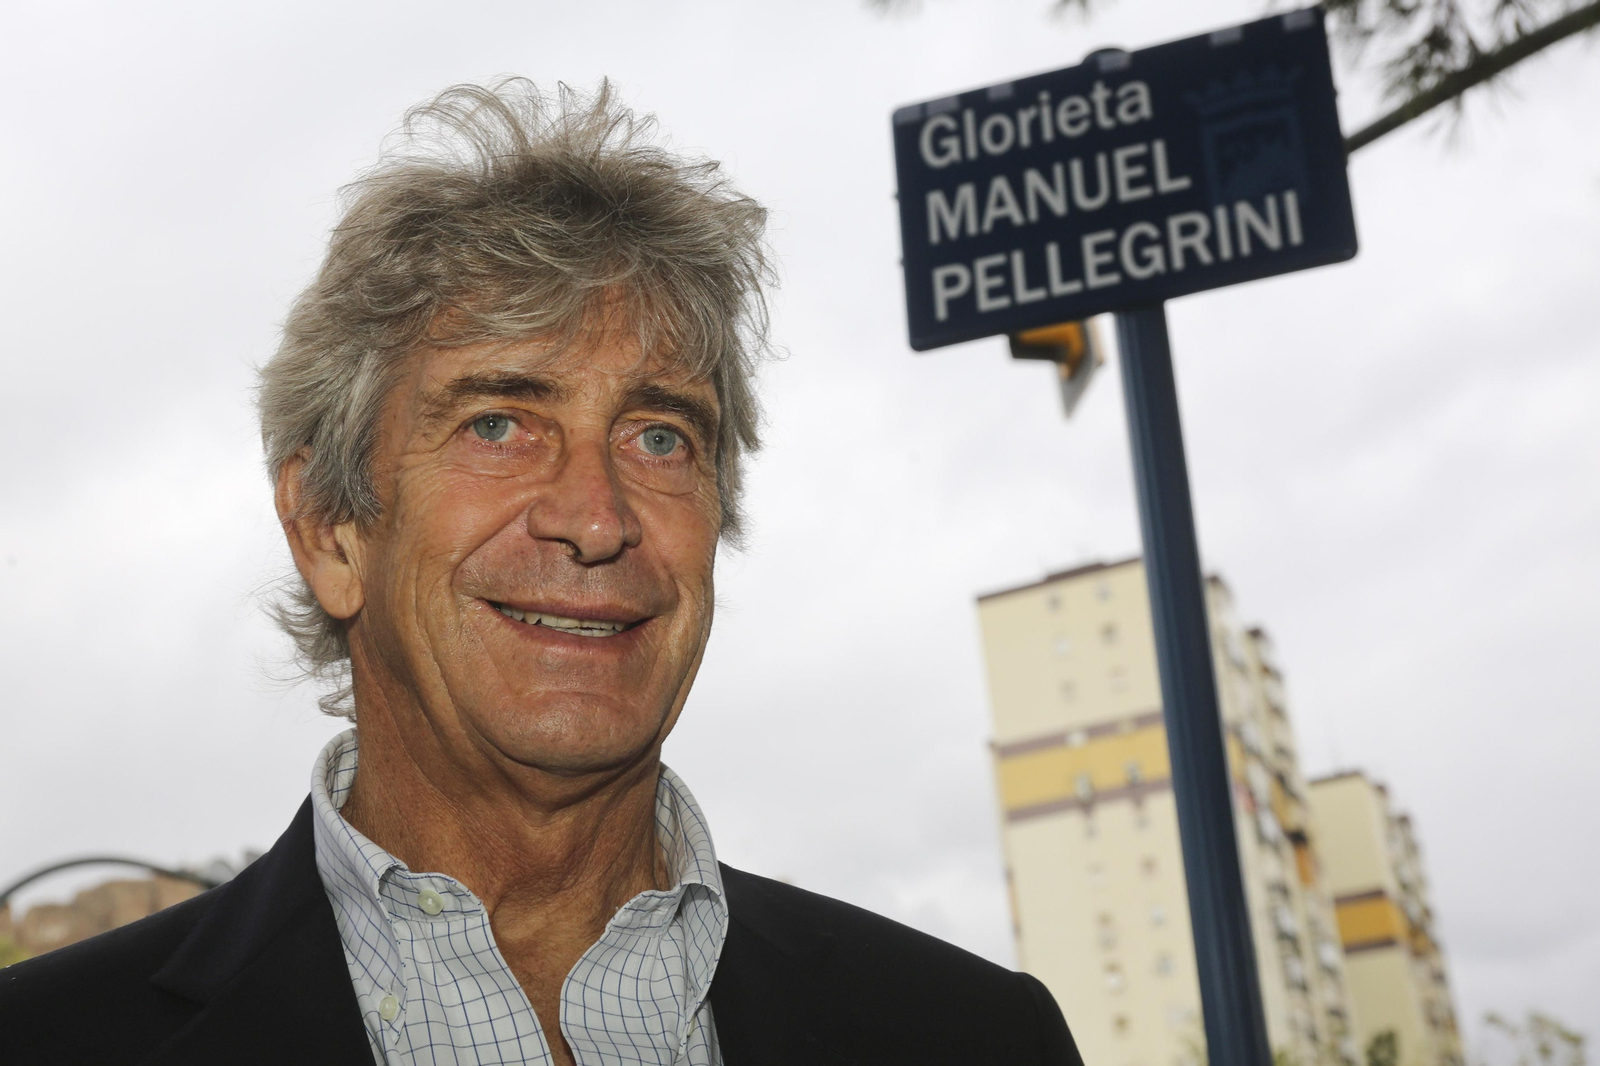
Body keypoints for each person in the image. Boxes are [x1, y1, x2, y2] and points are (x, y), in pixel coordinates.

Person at [0, 80, 1083, 1065]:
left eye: (659, 438)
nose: (595, 517)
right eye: (499, 422)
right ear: (329, 528)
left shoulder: (977, 1035)